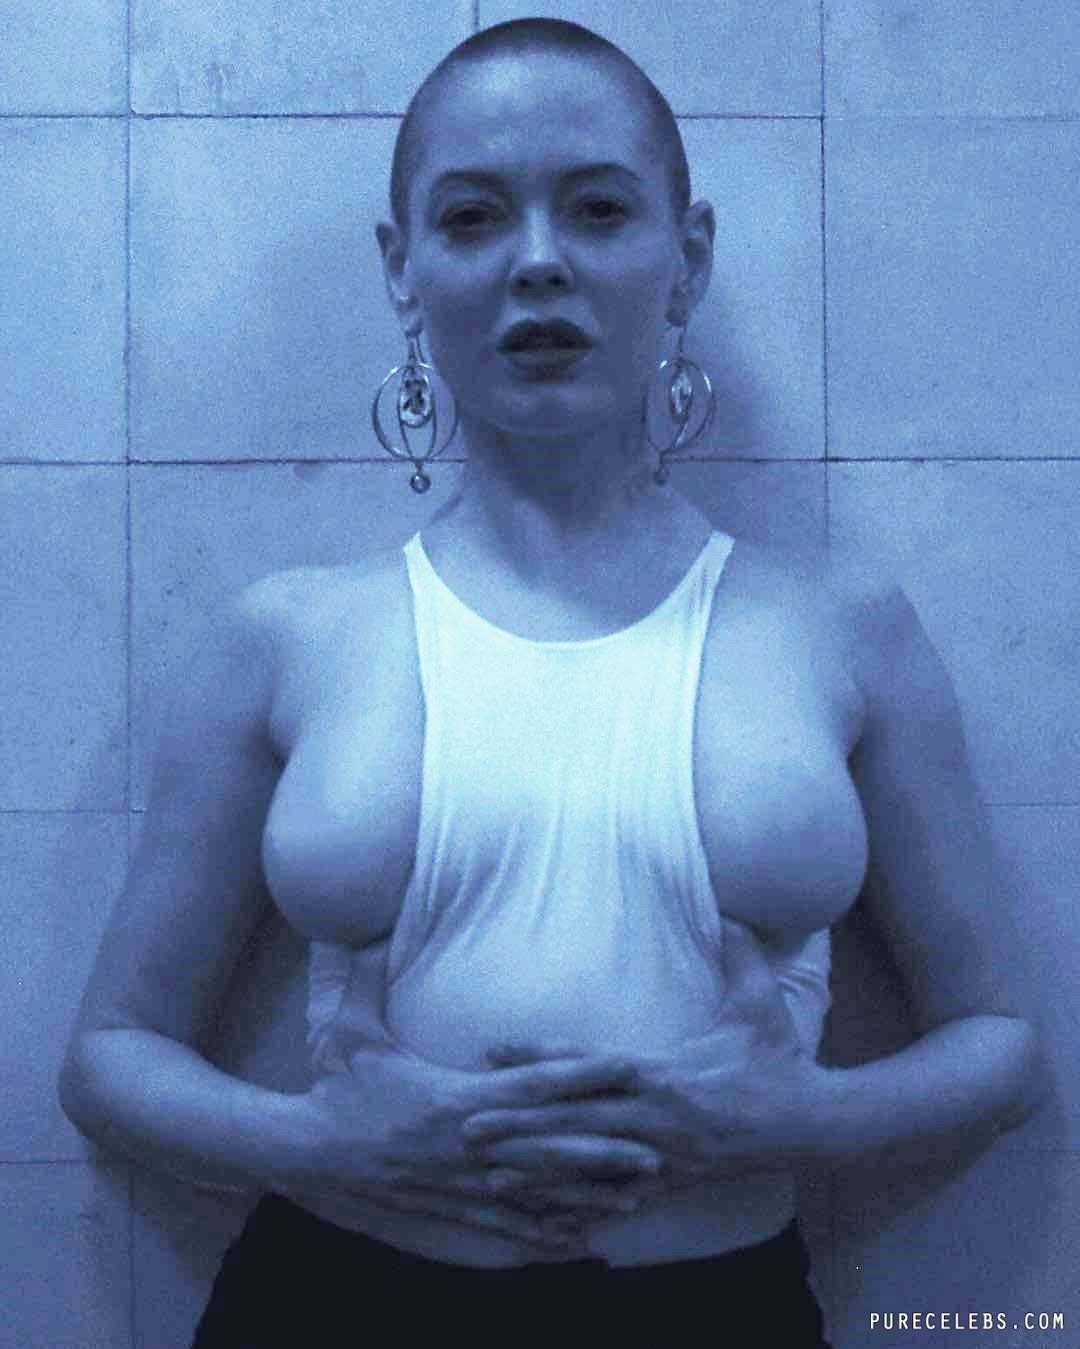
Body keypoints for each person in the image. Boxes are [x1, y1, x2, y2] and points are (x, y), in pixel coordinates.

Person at [59, 18, 1047, 1348]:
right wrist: (320, 1142)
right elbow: (110, 1056)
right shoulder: (289, 637)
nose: (537, 262)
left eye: (597, 209)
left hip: (715, 1311)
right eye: (473, 218)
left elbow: (1000, 1039)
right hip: (331, 1298)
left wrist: (807, 1118)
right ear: (402, 268)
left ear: (688, 258)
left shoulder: (841, 631)